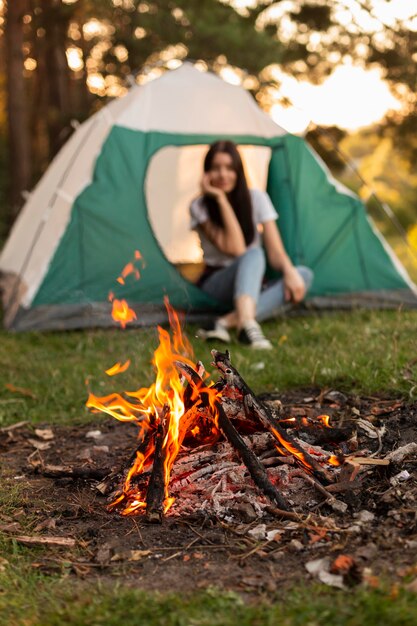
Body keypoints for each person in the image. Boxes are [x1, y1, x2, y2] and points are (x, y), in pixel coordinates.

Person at [190, 140, 313, 350]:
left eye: (230, 168)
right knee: (253, 253)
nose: (223, 174)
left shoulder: (257, 199)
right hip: (218, 283)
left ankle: (224, 322)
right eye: (216, 168)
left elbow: (275, 252)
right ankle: (247, 325)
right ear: (207, 173)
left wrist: (289, 270)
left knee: (303, 275)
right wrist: (220, 198)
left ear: (239, 171)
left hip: (251, 283)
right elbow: (237, 249)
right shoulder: (199, 206)